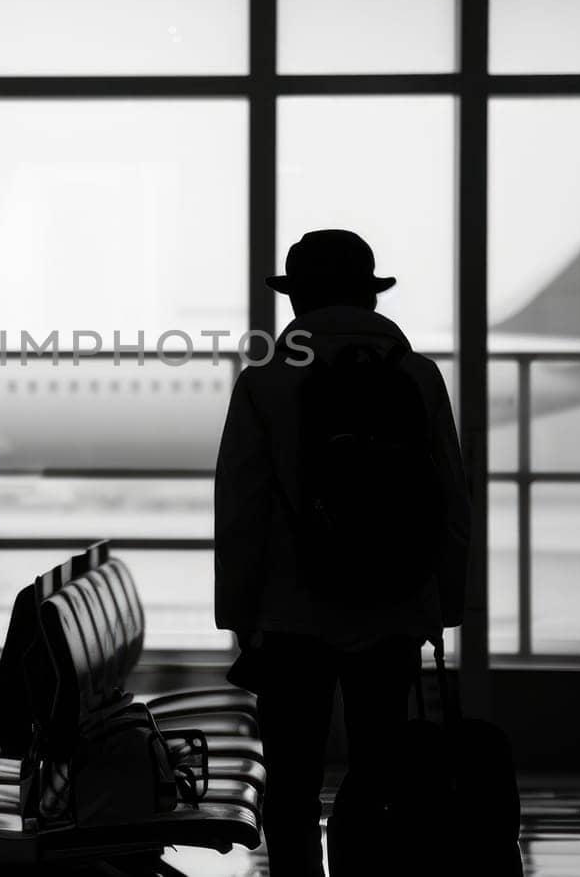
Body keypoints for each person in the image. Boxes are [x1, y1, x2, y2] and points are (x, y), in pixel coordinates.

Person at [214, 228, 471, 877]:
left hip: (292, 615)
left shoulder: (267, 379)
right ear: (369, 295)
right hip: (394, 605)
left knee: (293, 784)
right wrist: (440, 602)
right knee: (382, 777)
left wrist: (240, 614)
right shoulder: (417, 375)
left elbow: (241, 507)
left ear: (297, 299)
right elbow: (449, 497)